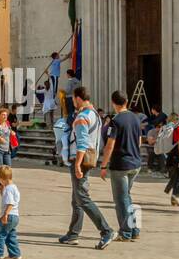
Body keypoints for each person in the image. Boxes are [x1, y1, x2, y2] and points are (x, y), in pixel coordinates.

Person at [59, 86, 114, 249]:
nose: (73, 102)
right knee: (76, 198)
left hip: (81, 159)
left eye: (74, 99)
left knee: (82, 198)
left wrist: (77, 164)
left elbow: (82, 142)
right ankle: (73, 233)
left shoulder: (83, 117)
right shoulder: (95, 114)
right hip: (89, 158)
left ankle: (106, 230)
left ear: (78, 98)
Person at [98, 90, 143, 241]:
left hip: (121, 165)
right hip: (135, 162)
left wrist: (103, 166)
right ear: (127, 101)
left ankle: (126, 232)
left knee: (121, 200)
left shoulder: (115, 121)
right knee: (127, 197)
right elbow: (139, 141)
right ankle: (134, 229)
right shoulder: (135, 118)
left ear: (113, 102)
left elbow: (110, 145)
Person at [0, 165, 21, 259]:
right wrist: (2, 191)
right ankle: (15, 254)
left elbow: (10, 203)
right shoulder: (14, 187)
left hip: (8, 215)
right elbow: (10, 200)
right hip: (15, 216)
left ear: (1, 179)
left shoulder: (8, 189)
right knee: (11, 236)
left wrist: (5, 214)